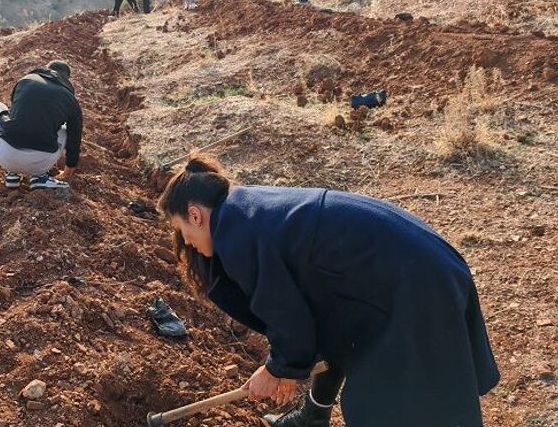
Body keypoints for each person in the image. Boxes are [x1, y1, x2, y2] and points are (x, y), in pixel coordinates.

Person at [157, 154, 500, 427]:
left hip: (412, 284)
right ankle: (314, 414)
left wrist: (277, 370)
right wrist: (289, 366)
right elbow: (318, 314)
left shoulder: (236, 235)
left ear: (195, 214)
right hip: (418, 266)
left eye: (182, 230)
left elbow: (289, 319)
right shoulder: (244, 211)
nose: (186, 243)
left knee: (391, 408)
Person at [0, 61, 82, 190]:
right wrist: (67, 172)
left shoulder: (25, 80)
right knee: (66, 131)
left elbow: (15, 112)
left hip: (5, 156)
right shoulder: (71, 101)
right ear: (67, 79)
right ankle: (39, 177)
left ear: (46, 70)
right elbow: (74, 142)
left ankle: (12, 174)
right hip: (40, 162)